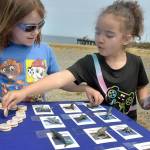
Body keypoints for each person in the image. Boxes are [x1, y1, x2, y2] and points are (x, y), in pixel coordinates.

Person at [2, 0, 150, 120]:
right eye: (97, 32)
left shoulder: (136, 62)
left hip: (128, 127)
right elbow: (59, 78)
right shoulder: (90, 62)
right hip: (7, 113)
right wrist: (23, 93)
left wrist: (145, 101)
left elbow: (141, 86)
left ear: (126, 38)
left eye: (109, 35)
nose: (100, 39)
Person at [0, 0, 102, 104]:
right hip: (7, 114)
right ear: (9, 24)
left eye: (40, 25)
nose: (36, 32)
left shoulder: (45, 50)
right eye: (29, 27)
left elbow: (60, 81)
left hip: (38, 112)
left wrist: (85, 88)